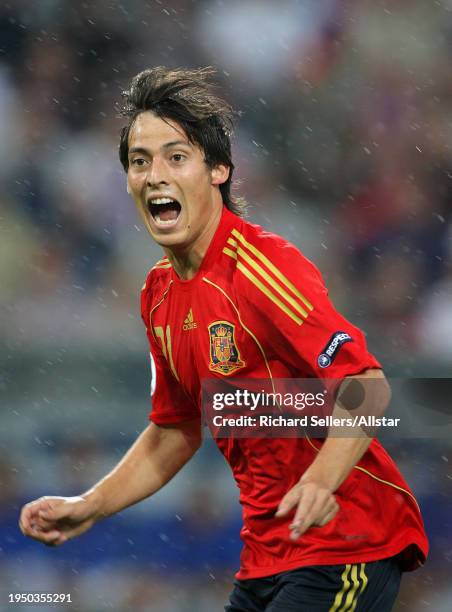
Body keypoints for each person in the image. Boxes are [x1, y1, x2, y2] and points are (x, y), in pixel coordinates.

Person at [19, 67, 428, 611]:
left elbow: (366, 385)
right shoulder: (159, 296)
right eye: (139, 161)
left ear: (218, 171)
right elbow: (175, 430)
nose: (155, 174)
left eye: (176, 156)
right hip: (267, 557)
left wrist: (320, 482)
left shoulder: (263, 266)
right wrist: (90, 506)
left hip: (347, 543)